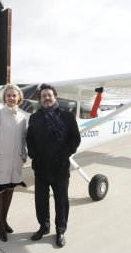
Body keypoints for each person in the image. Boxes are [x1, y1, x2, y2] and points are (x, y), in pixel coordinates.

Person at [26, 83, 81, 248]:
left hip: (60, 167)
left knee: (61, 200)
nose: (46, 98)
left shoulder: (67, 116)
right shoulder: (35, 118)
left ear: (55, 97)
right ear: (40, 99)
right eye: (43, 96)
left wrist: (63, 156)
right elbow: (30, 140)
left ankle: (60, 230)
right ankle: (44, 226)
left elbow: (75, 139)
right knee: (41, 200)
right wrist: (33, 154)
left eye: (49, 95)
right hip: (41, 166)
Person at [0, 84, 27, 242]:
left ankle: (4, 220)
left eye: (14, 95)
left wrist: (23, 155)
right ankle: (1, 225)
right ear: (5, 98)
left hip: (15, 163)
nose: (11, 98)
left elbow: (22, 140)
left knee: (9, 192)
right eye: (8, 95)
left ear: (19, 98)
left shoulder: (22, 117)